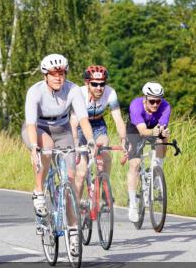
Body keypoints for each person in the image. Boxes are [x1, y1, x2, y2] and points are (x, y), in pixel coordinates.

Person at [23, 54, 96, 257]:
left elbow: (83, 119)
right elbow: (30, 123)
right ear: (46, 75)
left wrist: (90, 141)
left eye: (62, 73)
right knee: (45, 146)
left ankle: (73, 231)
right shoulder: (35, 92)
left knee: (70, 181)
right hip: (39, 128)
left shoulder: (72, 89)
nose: (58, 77)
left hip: (62, 129)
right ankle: (39, 192)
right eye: (54, 74)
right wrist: (34, 149)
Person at [68, 65, 128, 204]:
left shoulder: (110, 93)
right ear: (87, 83)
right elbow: (73, 122)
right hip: (79, 127)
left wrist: (124, 140)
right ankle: (75, 205)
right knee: (81, 172)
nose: (99, 88)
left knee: (105, 148)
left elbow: (118, 119)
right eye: (94, 84)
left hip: (98, 125)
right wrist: (76, 142)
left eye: (102, 84)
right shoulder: (79, 94)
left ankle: (104, 187)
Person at [125, 82, 172, 223]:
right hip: (136, 129)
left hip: (153, 127)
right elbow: (143, 131)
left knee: (164, 137)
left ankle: (157, 169)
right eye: (152, 101)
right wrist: (154, 132)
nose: (156, 104)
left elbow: (162, 127)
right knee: (135, 164)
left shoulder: (166, 106)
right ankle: (133, 204)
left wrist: (163, 132)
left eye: (158, 101)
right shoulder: (136, 106)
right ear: (145, 99)